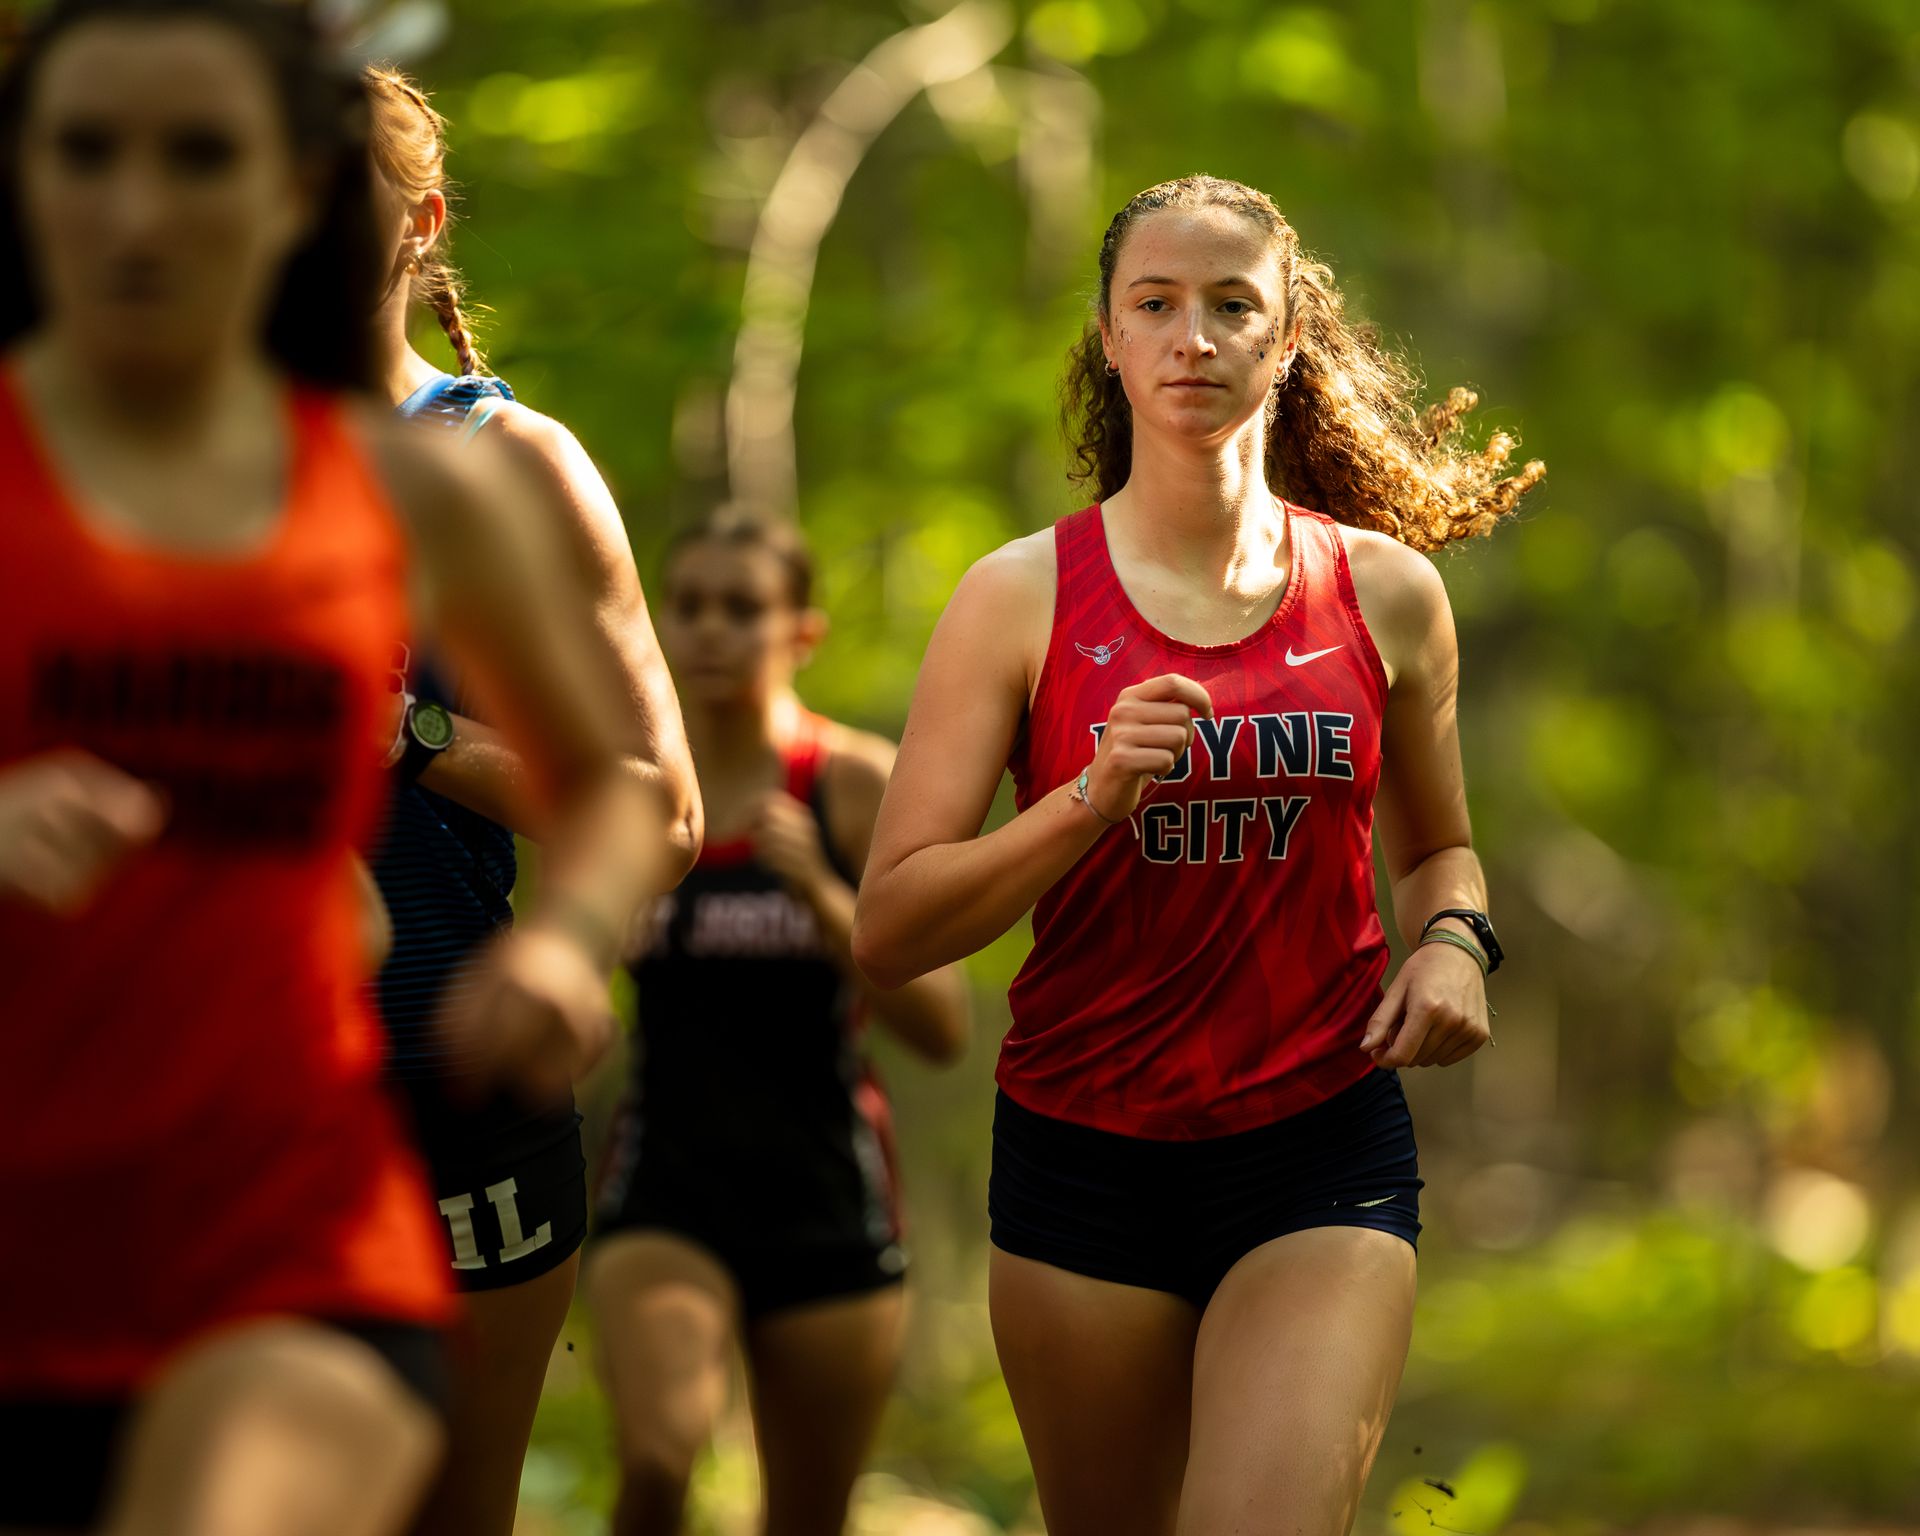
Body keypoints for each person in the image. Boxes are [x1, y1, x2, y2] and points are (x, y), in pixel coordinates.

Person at [0, 2, 695, 1532]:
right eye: (88, 155)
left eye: (202, 158)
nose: (142, 207)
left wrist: (565, 946)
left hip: (337, 1174)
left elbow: (642, 801)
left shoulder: (445, 479)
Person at [852, 174, 1543, 1536]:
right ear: (1108, 339)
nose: (1193, 338)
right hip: (1084, 1153)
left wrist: (1458, 942)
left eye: (1233, 307)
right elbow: (890, 928)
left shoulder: (1385, 594)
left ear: (1287, 338)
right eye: (1156, 305)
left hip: (1317, 1142)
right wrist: (1086, 799)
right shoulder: (1017, 599)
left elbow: (1443, 852)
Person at [358, 64, 700, 1536]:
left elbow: (660, 809)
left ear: (419, 223)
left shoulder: (507, 462)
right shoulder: (133, 457)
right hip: (199, 1092)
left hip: (455, 1096)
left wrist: (409, 732)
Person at [588, 517, 969, 1536]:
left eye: (743, 608)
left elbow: (942, 1026)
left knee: (806, 1519)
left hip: (827, 1198)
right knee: (659, 1466)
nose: (712, 630)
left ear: (802, 631)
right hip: (663, 1187)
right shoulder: (633, 795)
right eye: (692, 604)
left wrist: (819, 893)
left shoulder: (848, 784)